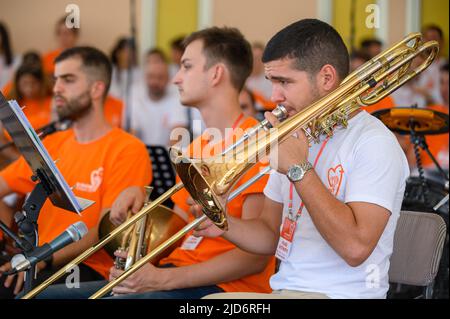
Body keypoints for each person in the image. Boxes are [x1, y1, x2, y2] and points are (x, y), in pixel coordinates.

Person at [35, 26, 275, 299]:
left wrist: (163, 279)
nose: (176, 78)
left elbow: (255, 258)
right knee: (46, 296)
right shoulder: (196, 147)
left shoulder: (256, 145)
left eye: (186, 66)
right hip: (177, 274)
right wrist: (136, 238)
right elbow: (177, 229)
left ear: (216, 73)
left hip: (223, 288)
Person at [195, 19, 409, 299]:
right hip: (285, 291)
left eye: (285, 82)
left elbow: (355, 248)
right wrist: (223, 225)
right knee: (206, 304)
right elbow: (269, 234)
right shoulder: (296, 136)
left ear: (327, 78)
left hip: (344, 296)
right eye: (272, 82)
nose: (274, 96)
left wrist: (299, 169)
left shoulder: (374, 142)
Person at [0, 46, 152, 298]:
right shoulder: (53, 142)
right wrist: (11, 242)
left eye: (68, 79)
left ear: (96, 88)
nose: (57, 87)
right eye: (56, 79)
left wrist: (39, 260)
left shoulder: (127, 149)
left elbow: (104, 231)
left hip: (83, 267)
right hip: (35, 259)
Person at [128, 57, 188, 147]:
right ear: (145, 77)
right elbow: (133, 134)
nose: (155, 82)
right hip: (142, 155)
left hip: (169, 157)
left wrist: (166, 156)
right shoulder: (137, 100)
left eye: (160, 77)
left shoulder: (177, 99)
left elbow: (178, 134)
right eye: (151, 76)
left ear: (168, 79)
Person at [246, 42, 276, 111]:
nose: (256, 62)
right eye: (254, 58)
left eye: (260, 58)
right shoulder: (243, 81)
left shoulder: (271, 80)